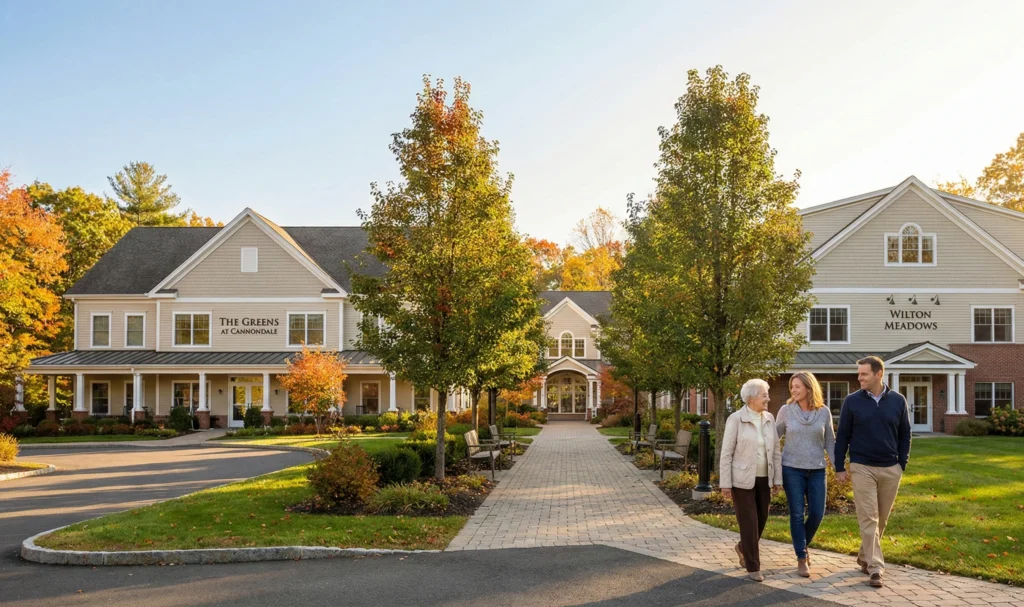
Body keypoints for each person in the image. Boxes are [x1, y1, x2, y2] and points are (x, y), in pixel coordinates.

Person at [834, 356, 911, 589]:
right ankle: (875, 568)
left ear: (879, 374)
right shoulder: (852, 401)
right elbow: (843, 435)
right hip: (862, 466)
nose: (859, 378)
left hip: (890, 467)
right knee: (869, 517)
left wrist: (901, 464)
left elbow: (905, 434)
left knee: (882, 519)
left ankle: (864, 555)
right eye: (859, 374)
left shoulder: (898, 401)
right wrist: (839, 466)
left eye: (864, 374)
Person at [720, 378, 783, 582]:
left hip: (765, 479)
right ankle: (753, 566)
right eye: (764, 395)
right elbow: (726, 453)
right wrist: (725, 483)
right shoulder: (736, 419)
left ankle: (742, 547)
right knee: (749, 522)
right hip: (741, 480)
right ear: (751, 398)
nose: (768, 398)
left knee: (762, 519)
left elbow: (776, 451)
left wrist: (777, 479)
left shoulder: (769, 418)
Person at [776, 372, 835, 578]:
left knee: (818, 513)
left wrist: (839, 467)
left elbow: (829, 441)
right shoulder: (786, 410)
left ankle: (802, 544)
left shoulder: (824, 412)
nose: (793, 390)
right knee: (797, 514)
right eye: (792, 386)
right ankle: (801, 557)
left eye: (797, 386)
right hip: (791, 468)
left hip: (817, 469)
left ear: (809, 388)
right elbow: (774, 436)